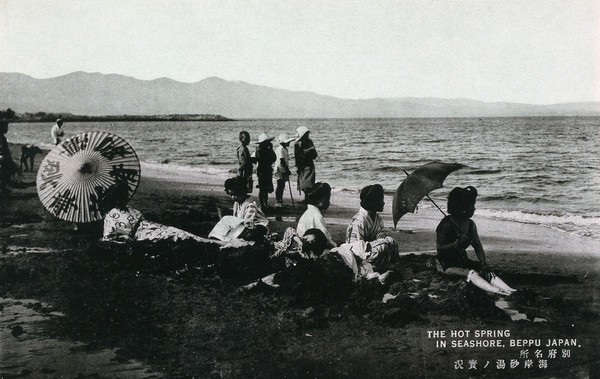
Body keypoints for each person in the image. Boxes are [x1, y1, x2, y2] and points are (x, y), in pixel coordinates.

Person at [436, 186, 516, 296]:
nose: (474, 208)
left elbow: (477, 245)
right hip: (446, 264)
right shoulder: (446, 224)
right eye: (471, 205)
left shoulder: (470, 224)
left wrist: (483, 263)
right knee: (471, 273)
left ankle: (510, 290)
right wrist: (456, 244)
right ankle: (498, 292)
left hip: (462, 260)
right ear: (461, 207)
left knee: (485, 271)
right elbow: (440, 249)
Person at [101, 181, 222, 245]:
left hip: (153, 227)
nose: (125, 199)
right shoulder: (111, 216)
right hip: (142, 235)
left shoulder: (131, 209)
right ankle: (214, 243)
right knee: (178, 237)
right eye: (122, 196)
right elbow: (107, 238)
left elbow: (142, 220)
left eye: (126, 196)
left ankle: (212, 242)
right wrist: (125, 236)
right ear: (116, 198)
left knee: (178, 232)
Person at [346, 184, 399, 272]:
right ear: (373, 202)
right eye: (381, 200)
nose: (383, 203)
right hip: (358, 256)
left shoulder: (378, 218)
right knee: (385, 245)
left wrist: (381, 240)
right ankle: (374, 267)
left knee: (391, 242)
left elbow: (381, 236)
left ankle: (387, 264)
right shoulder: (358, 221)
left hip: (370, 250)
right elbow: (355, 248)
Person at [223, 176, 269, 242]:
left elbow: (248, 223)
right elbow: (235, 219)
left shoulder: (251, 205)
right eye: (231, 194)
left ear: (243, 191)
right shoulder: (237, 203)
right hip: (245, 227)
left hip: (258, 228)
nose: (233, 197)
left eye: (236, 194)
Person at [296, 182, 337, 248]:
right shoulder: (317, 216)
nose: (328, 202)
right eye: (327, 199)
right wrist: (335, 245)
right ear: (317, 201)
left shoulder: (308, 212)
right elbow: (325, 237)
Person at [294, 126, 318, 202]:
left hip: (309, 164)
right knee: (303, 182)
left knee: (309, 181)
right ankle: (307, 197)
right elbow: (297, 156)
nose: (307, 135)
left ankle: (308, 197)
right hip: (302, 165)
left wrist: (311, 151)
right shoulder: (297, 144)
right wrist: (297, 166)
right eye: (306, 134)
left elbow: (314, 154)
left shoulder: (309, 142)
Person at [254, 133, 277, 209]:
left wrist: (271, 149)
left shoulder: (267, 149)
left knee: (266, 188)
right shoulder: (259, 150)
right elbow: (263, 160)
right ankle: (262, 204)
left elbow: (274, 158)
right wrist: (270, 150)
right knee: (262, 188)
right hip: (262, 170)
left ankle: (265, 203)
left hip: (267, 170)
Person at [274, 133, 294, 207]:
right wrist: (287, 169)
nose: (289, 143)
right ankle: (278, 201)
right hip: (279, 169)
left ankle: (280, 200)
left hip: (283, 170)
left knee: (282, 186)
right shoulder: (280, 149)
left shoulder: (284, 149)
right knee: (280, 185)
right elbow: (282, 160)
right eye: (288, 142)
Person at [0, 121, 18, 194]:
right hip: (2, 158)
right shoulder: (1, 137)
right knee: (4, 171)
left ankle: (3, 187)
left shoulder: (2, 136)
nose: (7, 129)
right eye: (5, 127)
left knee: (6, 172)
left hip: (4, 157)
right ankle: (3, 188)